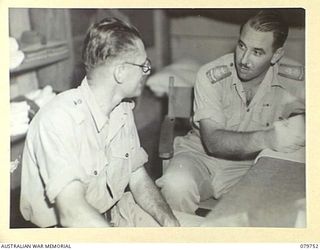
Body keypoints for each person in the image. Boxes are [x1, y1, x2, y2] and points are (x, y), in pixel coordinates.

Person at [20, 17, 180, 228]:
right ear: (121, 71)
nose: (146, 72)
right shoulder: (58, 119)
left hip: (113, 214)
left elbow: (137, 177)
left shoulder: (122, 109)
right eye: (143, 65)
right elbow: (71, 213)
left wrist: (170, 224)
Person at [156, 10, 305, 214]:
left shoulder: (297, 80)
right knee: (175, 185)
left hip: (251, 167)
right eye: (242, 46)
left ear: (277, 55)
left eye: (257, 52)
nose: (244, 60)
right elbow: (213, 142)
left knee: (274, 204)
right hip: (199, 157)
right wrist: (271, 138)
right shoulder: (210, 75)